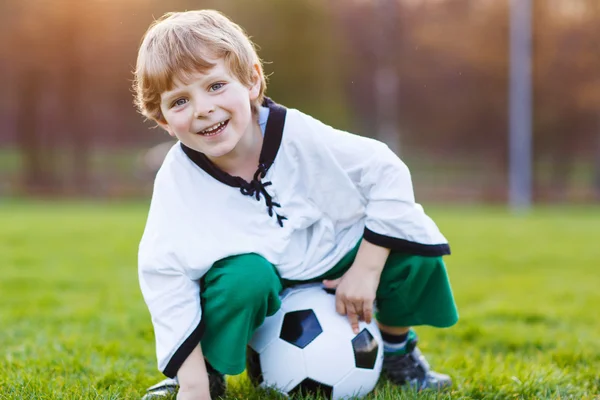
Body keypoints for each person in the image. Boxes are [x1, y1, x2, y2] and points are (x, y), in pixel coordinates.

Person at [133, 9, 459, 400]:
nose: (203, 108)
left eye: (216, 85)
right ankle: (209, 372)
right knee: (243, 280)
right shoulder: (177, 179)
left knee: (412, 245)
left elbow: (386, 170)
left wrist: (366, 270)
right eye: (180, 101)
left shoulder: (299, 135)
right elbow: (164, 272)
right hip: (260, 277)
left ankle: (394, 351)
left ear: (252, 81)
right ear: (164, 120)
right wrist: (191, 382)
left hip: (333, 258)